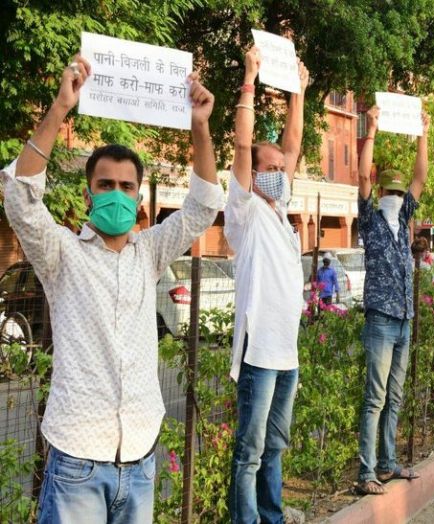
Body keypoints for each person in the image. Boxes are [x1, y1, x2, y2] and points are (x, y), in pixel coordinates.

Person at [2, 56, 223, 523]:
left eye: (126, 187)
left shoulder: (150, 253)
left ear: (139, 199)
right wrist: (61, 107)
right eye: (106, 184)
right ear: (88, 194)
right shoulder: (61, 254)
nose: (117, 194)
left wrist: (200, 128)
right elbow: (20, 197)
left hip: (140, 458)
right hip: (78, 461)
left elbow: (203, 206)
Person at [226, 45, 309, 523]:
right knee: (250, 452)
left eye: (282, 170)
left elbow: (294, 143)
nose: (279, 174)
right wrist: (250, 80)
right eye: (269, 169)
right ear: (252, 174)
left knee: (274, 448)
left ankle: (271, 518)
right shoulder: (246, 212)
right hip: (258, 352)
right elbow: (242, 144)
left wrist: (297, 91)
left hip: (287, 352)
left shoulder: (280, 215)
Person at [354, 106, 429, 495]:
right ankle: (366, 472)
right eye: (391, 191)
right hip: (381, 318)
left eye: (399, 193)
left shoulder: (403, 223)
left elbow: (421, 176)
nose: (397, 196)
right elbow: (362, 175)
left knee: (394, 395)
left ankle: (387, 463)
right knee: (375, 397)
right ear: (381, 193)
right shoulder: (370, 219)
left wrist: (423, 134)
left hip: (403, 318)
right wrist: (372, 130)